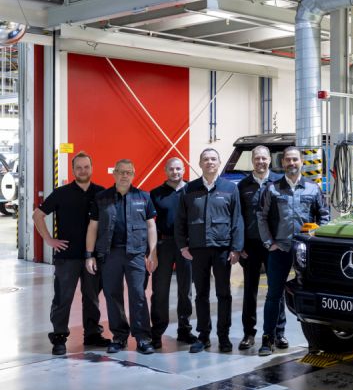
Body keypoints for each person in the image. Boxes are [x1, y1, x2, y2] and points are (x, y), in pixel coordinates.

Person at [33, 152, 110, 355]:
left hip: (93, 257)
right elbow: (38, 215)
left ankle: (92, 334)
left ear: (92, 168)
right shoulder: (61, 193)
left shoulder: (101, 193)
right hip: (67, 256)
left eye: (86, 167)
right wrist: (49, 240)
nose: (83, 171)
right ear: (73, 170)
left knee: (92, 297)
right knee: (63, 297)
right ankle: (59, 337)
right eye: (79, 167)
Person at [258, 147, 330, 356]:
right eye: (288, 160)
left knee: (309, 296)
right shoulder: (272, 189)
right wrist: (269, 243)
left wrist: (317, 237)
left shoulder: (313, 189)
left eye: (295, 159)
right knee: (273, 295)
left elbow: (324, 215)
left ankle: (314, 341)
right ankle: (268, 338)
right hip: (279, 249)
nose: (291, 163)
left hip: (305, 251)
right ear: (283, 162)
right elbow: (261, 216)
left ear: (302, 162)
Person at [85, 159, 158, 354]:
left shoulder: (143, 197)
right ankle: (119, 336)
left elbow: (151, 226)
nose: (125, 175)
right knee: (112, 295)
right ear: (114, 173)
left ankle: (143, 338)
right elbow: (93, 227)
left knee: (138, 294)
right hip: (109, 255)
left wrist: (152, 252)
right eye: (121, 172)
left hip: (136, 254)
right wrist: (89, 255)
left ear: (133, 174)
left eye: (128, 172)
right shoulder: (101, 198)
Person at [175, 148, 244, 354]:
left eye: (213, 159)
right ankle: (203, 336)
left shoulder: (230, 189)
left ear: (219, 162)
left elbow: (237, 220)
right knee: (201, 294)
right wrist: (183, 246)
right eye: (206, 159)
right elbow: (180, 221)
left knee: (224, 294)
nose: (210, 162)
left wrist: (236, 248)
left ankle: (223, 336)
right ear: (200, 163)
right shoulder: (189, 189)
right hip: (198, 250)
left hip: (222, 249)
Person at [237, 146, 288, 351]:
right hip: (250, 245)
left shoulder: (280, 182)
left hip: (274, 245)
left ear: (269, 160)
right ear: (252, 160)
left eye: (263, 158)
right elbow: (238, 217)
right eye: (257, 158)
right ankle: (249, 333)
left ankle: (279, 333)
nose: (260, 161)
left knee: (276, 290)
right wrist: (239, 245)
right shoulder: (243, 185)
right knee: (249, 290)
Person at [148, 158, 196, 349]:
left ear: (183, 169)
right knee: (160, 290)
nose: (175, 172)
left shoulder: (192, 190)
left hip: (187, 245)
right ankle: (157, 332)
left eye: (178, 169)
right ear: (165, 171)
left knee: (186, 289)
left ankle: (184, 329)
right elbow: (150, 224)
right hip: (164, 244)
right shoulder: (156, 194)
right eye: (171, 169)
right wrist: (151, 250)